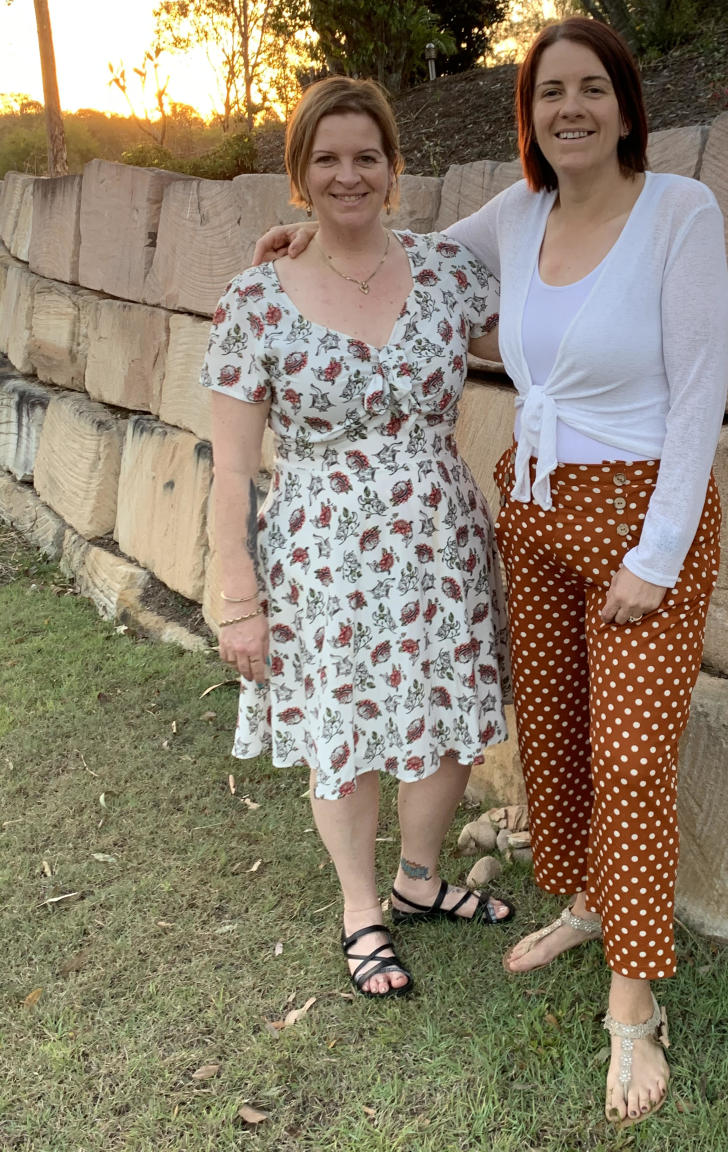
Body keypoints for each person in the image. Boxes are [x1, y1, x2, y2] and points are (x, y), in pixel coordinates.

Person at [254, 18, 728, 1124]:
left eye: (589, 88)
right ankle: (583, 901)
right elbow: (400, 247)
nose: (569, 107)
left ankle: (632, 996)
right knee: (556, 731)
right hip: (536, 507)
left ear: (624, 103)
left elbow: (703, 386)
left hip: (642, 517)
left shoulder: (679, 212)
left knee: (632, 755)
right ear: (529, 116)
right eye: (548, 91)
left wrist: (656, 555)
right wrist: (304, 237)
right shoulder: (520, 214)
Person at [203, 76, 514, 1003]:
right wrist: (238, 594)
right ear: (299, 174)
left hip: (442, 540)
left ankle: (420, 880)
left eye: (365, 157)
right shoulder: (257, 297)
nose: (349, 176)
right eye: (327, 159)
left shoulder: (449, 272)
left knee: (453, 711)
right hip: (322, 551)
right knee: (346, 729)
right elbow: (230, 468)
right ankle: (360, 908)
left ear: (393, 166)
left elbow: (551, 284)